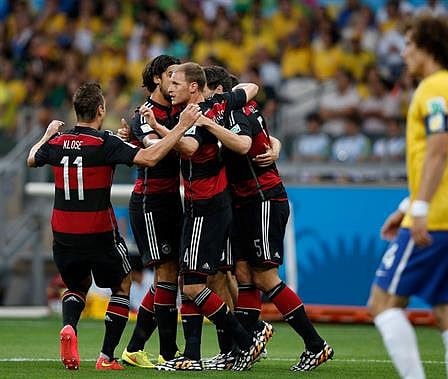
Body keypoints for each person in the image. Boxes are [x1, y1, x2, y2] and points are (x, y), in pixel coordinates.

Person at [26, 82, 201, 371]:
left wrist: (46, 135)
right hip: (98, 231)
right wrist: (181, 127)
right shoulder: (104, 142)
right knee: (122, 285)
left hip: (63, 233)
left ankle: (70, 327)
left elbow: (32, 158)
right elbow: (150, 157)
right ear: (101, 109)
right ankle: (106, 357)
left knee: (76, 285)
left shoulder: (56, 142)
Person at [367, 15, 448, 379]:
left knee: (382, 303)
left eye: (410, 45)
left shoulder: (432, 90)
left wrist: (418, 209)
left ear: (429, 47)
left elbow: (438, 150)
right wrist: (405, 206)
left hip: (437, 218)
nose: (404, 53)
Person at [201, 66, 334, 372]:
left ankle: (315, 345)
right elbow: (265, 139)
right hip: (248, 202)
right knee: (245, 273)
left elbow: (245, 143)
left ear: (218, 91)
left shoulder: (234, 114)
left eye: (206, 92)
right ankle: (245, 347)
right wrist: (275, 146)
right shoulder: (235, 113)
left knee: (265, 277)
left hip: (263, 200)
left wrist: (208, 124)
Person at [143, 62, 269, 372]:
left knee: (196, 284)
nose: (170, 87)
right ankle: (194, 355)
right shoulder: (199, 109)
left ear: (194, 88)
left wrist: (161, 129)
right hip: (201, 206)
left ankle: (245, 340)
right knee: (194, 279)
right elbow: (249, 89)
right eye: (169, 82)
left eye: (176, 82)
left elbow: (188, 147)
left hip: (208, 206)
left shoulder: (199, 114)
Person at [120, 55, 185, 368]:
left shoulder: (175, 112)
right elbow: (152, 151)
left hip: (172, 198)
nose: (176, 82)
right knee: (166, 274)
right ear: (157, 79)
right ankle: (169, 354)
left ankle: (135, 348)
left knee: (168, 277)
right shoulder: (144, 114)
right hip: (149, 201)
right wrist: (181, 129)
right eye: (171, 76)